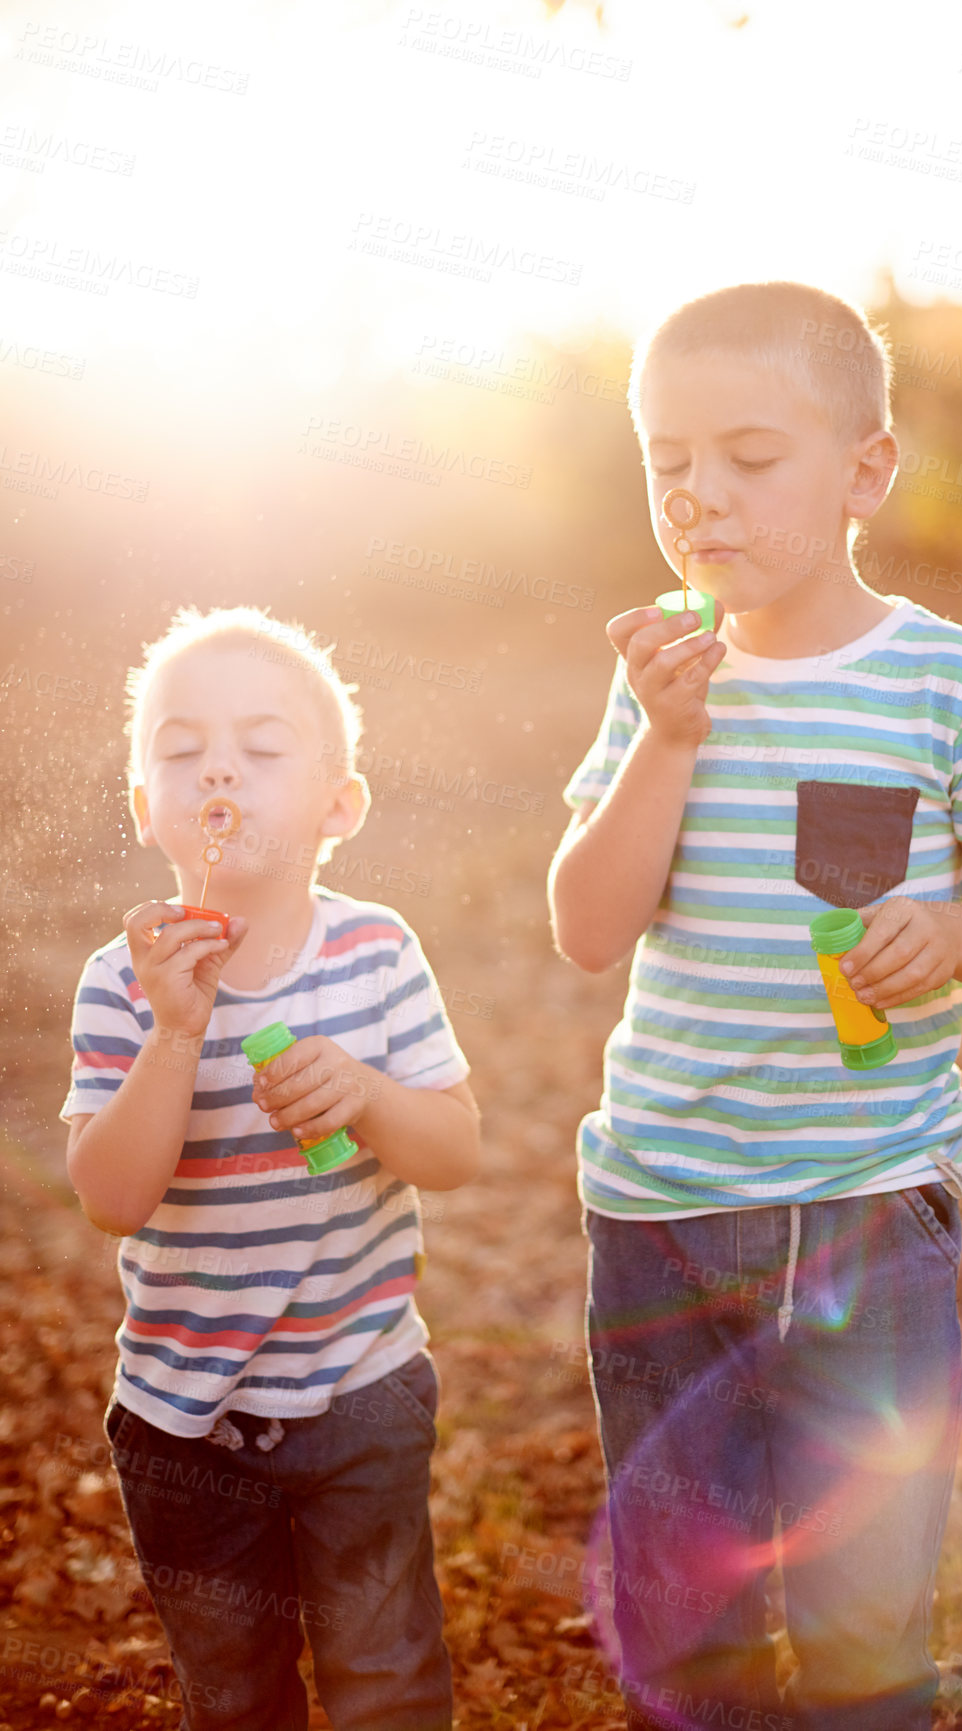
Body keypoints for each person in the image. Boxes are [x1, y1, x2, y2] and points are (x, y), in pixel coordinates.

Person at [548, 282, 962, 1731]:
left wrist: (954, 928)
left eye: (746, 454)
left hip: (869, 1204)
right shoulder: (660, 672)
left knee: (858, 1627)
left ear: (864, 469)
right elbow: (585, 927)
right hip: (664, 1208)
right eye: (665, 460)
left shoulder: (948, 681)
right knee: (688, 1615)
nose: (696, 497)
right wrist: (665, 736)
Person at [62, 606, 481, 1731]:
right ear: (148, 807)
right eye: (184, 748)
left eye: (261, 745)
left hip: (359, 1392)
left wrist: (371, 1095)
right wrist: (175, 1036)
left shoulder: (378, 953)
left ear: (338, 807)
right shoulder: (123, 983)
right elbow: (112, 1198)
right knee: (233, 1690)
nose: (221, 771)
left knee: (385, 1671)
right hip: (181, 1422)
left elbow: (457, 1149)